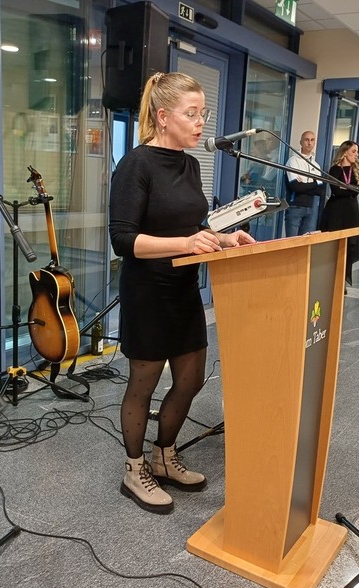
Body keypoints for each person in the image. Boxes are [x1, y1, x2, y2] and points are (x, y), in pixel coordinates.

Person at [108, 72, 256, 514]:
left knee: (190, 379)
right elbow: (123, 240)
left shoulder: (190, 165)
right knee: (144, 384)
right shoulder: (136, 164)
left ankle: (164, 455)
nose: (200, 123)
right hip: (148, 292)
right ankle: (135, 470)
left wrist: (222, 238)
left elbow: (192, 226)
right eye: (191, 114)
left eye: (202, 114)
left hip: (184, 289)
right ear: (162, 116)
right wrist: (186, 244)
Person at [320, 140, 359, 287]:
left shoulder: (357, 170)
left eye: (357, 151)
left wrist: (347, 188)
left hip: (351, 211)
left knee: (350, 246)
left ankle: (343, 280)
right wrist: (354, 188)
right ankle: (330, 279)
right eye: (354, 151)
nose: (356, 154)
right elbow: (337, 191)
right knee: (334, 246)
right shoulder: (335, 170)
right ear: (345, 152)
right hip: (336, 211)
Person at [285, 130, 325, 236]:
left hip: (311, 208)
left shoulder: (316, 165)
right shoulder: (293, 161)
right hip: (295, 207)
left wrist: (304, 185)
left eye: (312, 140)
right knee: (292, 242)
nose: (309, 143)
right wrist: (314, 183)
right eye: (306, 140)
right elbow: (296, 187)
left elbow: (320, 190)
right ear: (301, 142)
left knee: (306, 241)